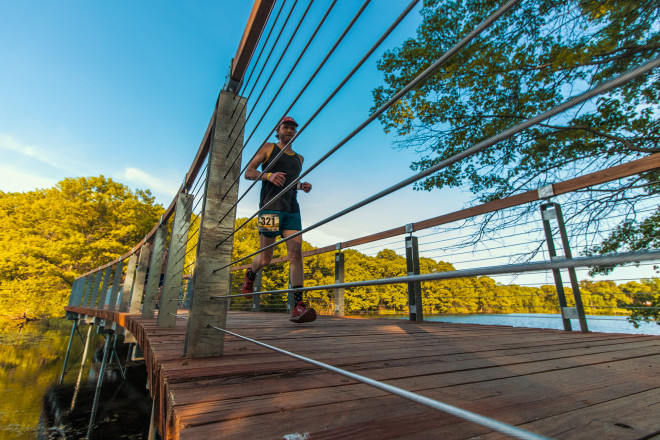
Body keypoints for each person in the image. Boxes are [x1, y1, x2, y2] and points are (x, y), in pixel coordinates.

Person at [241, 116, 317, 323]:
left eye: (293, 127)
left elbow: (291, 182)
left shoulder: (300, 159)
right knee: (265, 258)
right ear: (278, 130)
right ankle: (250, 274)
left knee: (296, 254)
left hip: (292, 210)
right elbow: (248, 172)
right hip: (269, 209)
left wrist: (302, 186)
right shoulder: (268, 148)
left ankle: (298, 306)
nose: (290, 130)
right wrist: (268, 176)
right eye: (286, 126)